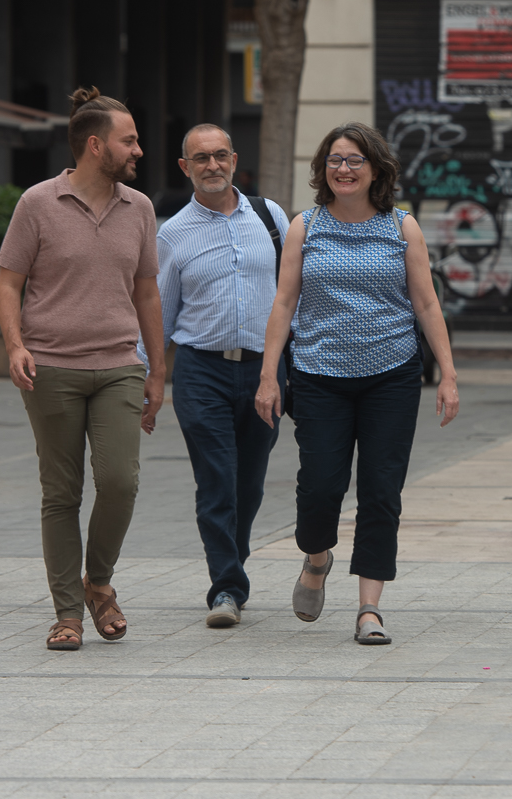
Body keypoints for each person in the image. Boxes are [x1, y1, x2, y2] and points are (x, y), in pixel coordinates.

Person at [255, 121, 459, 645]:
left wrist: (448, 374)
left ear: (375, 169)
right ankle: (316, 557)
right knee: (320, 486)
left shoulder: (402, 227)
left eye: (354, 160)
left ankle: (370, 609)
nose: (343, 169)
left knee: (381, 491)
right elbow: (284, 302)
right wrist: (269, 375)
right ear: (323, 169)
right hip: (319, 376)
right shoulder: (305, 226)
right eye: (334, 160)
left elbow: (426, 302)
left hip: (391, 375)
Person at [0, 87, 165, 651]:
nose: (138, 150)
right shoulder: (38, 203)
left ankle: (99, 581)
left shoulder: (139, 208)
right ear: (96, 146)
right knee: (61, 493)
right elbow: (9, 284)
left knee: (120, 482)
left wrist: (157, 371)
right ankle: (67, 612)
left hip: (119, 364)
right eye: (129, 141)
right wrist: (15, 346)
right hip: (50, 368)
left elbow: (147, 293)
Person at [155, 124, 291, 629]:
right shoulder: (171, 234)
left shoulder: (270, 217)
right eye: (200, 158)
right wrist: (149, 377)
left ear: (234, 160)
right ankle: (227, 588)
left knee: (248, 485)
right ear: (184, 167)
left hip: (264, 371)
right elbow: (161, 314)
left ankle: (233, 569)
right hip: (201, 371)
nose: (212, 165)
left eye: (220, 155)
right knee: (217, 481)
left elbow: (291, 294)